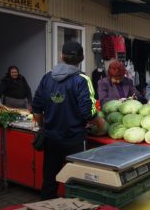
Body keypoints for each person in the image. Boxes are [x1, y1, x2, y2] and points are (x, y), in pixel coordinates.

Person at [32, 41, 105, 200]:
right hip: (75, 140)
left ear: (61, 56)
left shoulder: (47, 77)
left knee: (49, 181)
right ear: (82, 58)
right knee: (78, 181)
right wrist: (101, 125)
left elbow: (36, 109)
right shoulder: (82, 80)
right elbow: (89, 112)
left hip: (51, 139)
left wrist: (44, 125)